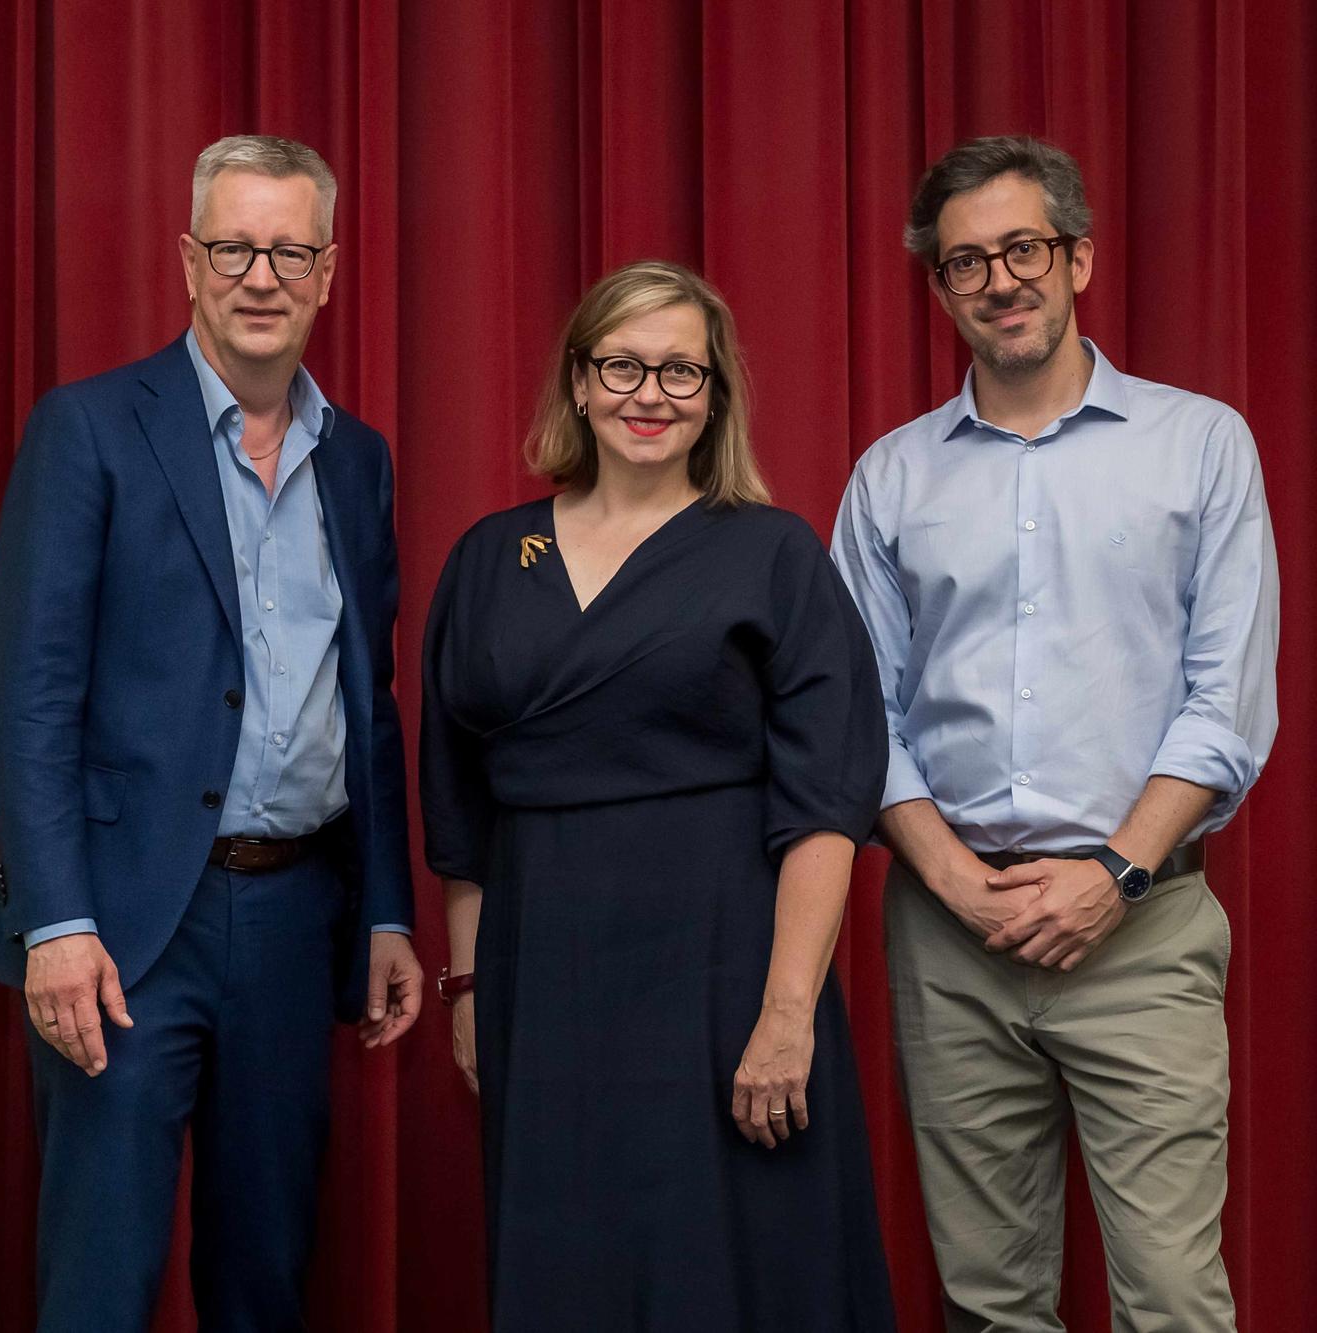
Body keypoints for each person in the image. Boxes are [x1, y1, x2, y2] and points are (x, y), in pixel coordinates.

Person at [832, 135, 1279, 1333]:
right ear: (939, 288)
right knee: (987, 1306)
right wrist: (956, 884)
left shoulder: (1198, 445)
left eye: (1020, 248)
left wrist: (1110, 874)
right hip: (949, 938)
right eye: (964, 261)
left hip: (1139, 929)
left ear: (1076, 255)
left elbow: (1224, 702)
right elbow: (854, 713)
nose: (997, 280)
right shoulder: (888, 480)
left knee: (1173, 1300)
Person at [0, 134, 423, 1333]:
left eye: (288, 250)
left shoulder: (358, 461)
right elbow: (29, 693)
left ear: (328, 271)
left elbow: (364, 698)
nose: (260, 275)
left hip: (293, 917)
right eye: (233, 247)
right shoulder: (89, 430)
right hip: (120, 932)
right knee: (100, 1279)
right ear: (189, 260)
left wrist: (385, 907)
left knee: (265, 1276)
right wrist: (56, 926)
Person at [420, 259, 897, 1331]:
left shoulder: (772, 554)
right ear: (578, 384)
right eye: (623, 365)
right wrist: (467, 990)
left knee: (732, 1266)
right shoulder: (490, 558)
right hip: (537, 975)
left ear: (714, 394)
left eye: (680, 370)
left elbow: (827, 800)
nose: (649, 393)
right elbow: (456, 802)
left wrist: (785, 1017)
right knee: (566, 1271)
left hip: (724, 971)